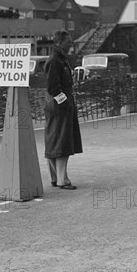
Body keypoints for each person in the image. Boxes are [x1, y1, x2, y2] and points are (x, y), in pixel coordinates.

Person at [44, 30, 83, 190]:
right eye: (68, 42)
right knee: (62, 141)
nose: (70, 44)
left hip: (55, 106)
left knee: (53, 140)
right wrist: (65, 103)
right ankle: (62, 180)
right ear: (59, 43)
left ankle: (55, 177)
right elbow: (54, 87)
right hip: (59, 108)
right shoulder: (56, 60)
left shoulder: (57, 59)